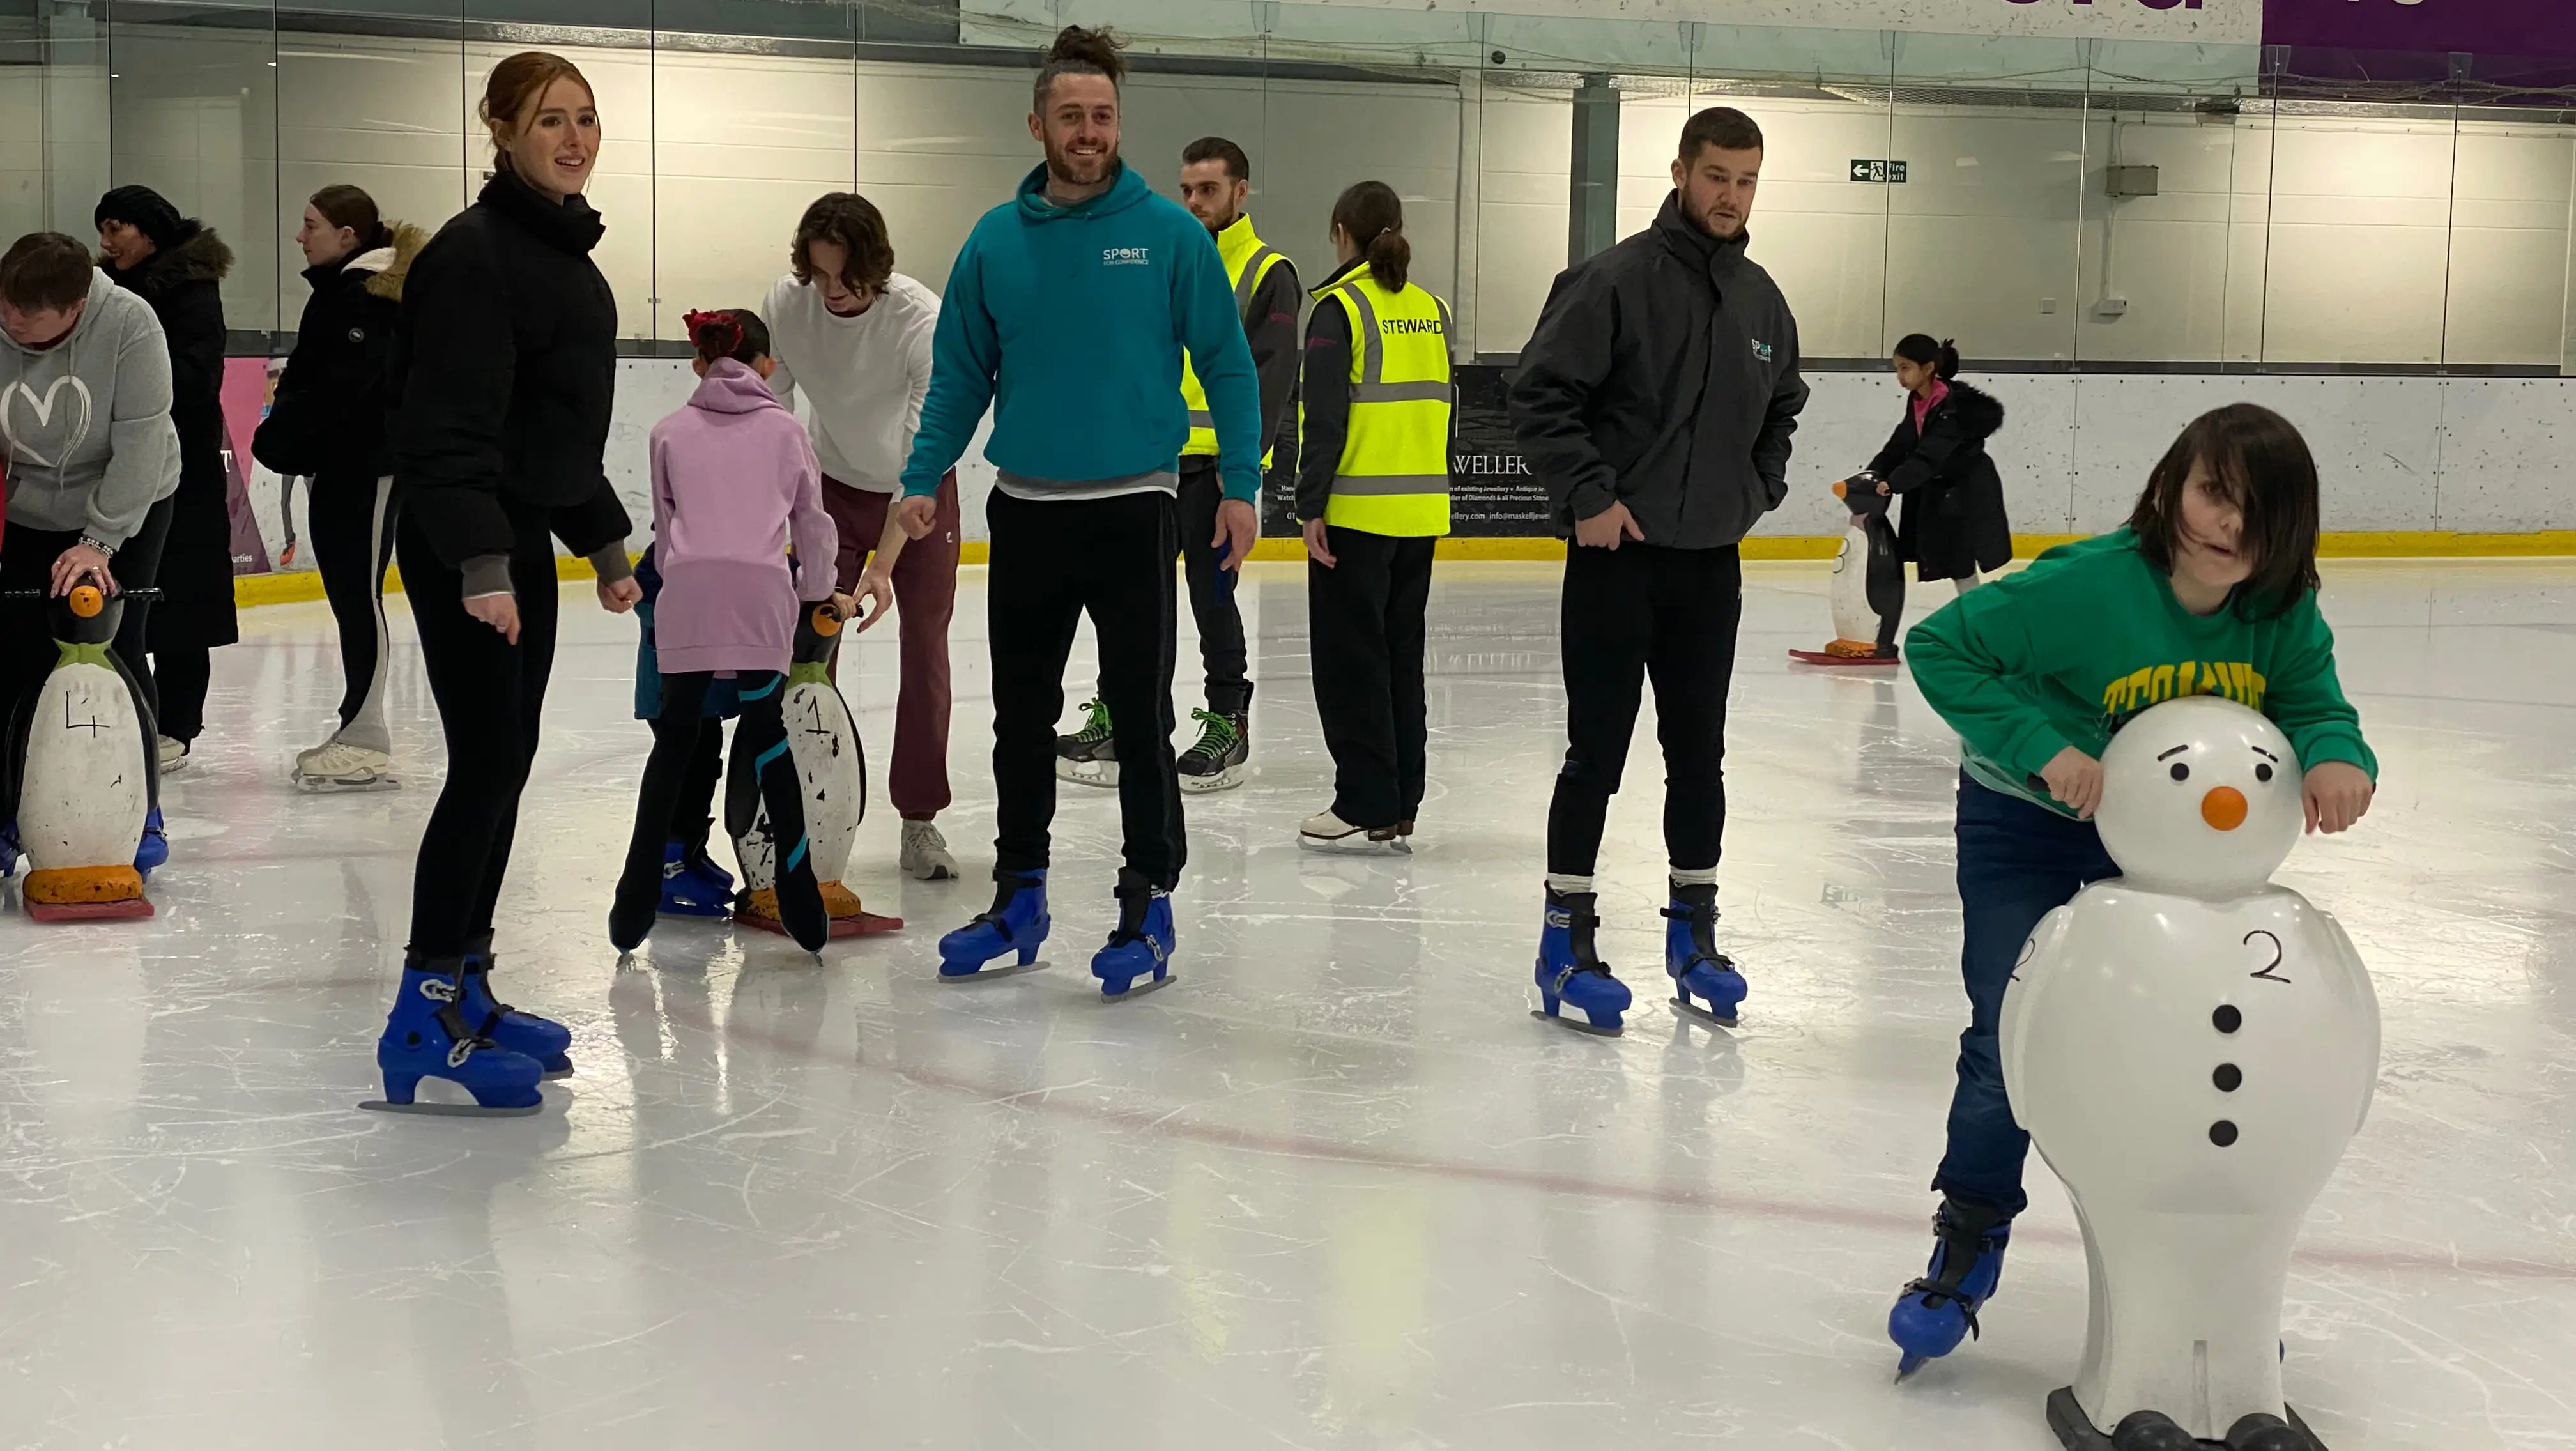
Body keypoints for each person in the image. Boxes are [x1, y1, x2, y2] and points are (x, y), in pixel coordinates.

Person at [1885, 401, 2378, 1374]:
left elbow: (2315, 700)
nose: (2227, 526)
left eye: (2256, 511)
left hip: (2160, 849)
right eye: (2212, 493)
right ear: (2171, 485)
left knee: (2188, 1042)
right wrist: (2041, 748)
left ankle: (2205, 1281)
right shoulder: (2089, 585)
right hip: (2027, 826)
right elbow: (1940, 648)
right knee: (2007, 1032)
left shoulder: (2278, 608)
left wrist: (2335, 755)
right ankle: (1973, 1225)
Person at [902, 25, 1262, 998]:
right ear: (1038, 124)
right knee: (1021, 718)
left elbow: (1228, 361)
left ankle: (1148, 898)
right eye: (1072, 116)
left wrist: (1239, 483)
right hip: (1025, 510)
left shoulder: (1172, 234)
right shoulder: (994, 240)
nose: (1089, 131)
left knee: (1141, 719)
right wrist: (919, 477)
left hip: (1134, 509)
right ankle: (1021, 891)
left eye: (1103, 115)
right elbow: (959, 376)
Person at [365, 51, 641, 1117]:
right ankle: (422, 1011)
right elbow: (446, 432)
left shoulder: (566, 261)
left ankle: (469, 989)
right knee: (484, 766)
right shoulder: (477, 257)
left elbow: (551, 436)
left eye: (585, 119)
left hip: (514, 541)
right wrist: (484, 563)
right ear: (500, 129)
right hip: (464, 547)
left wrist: (604, 546)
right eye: (548, 120)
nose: (573, 138)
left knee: (505, 763)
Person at [1508, 106, 1807, 1036]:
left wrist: (1756, 492)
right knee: (1596, 753)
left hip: (1710, 563)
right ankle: (1566, 939)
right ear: (1680, 172)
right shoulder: (1612, 281)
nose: (1731, 195)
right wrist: (1590, 497)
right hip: (1618, 559)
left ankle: (1694, 933)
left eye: (1747, 179)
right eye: (1717, 175)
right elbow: (1540, 395)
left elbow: (1781, 406)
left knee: (1698, 754)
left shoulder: (1762, 300)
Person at [1054, 135, 1301, 796]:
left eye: (1209, 191)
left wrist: (1242, 471)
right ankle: (1126, 716)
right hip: (1148, 464)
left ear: (1240, 193)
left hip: (1216, 470)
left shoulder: (1266, 271)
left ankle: (1228, 721)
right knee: (1133, 602)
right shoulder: (1163, 255)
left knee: (1212, 600)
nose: (1194, 202)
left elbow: (1269, 378)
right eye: (1187, 189)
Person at [609, 307, 839, 955]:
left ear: (698, 364)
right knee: (768, 737)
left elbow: (663, 526)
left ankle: (635, 898)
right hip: (762, 595)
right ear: (767, 366)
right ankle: (801, 904)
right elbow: (813, 523)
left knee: (677, 738)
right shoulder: (788, 432)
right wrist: (817, 590)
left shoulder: (668, 432)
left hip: (689, 594)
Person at [761, 192, 962, 883]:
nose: (833, 292)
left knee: (926, 647)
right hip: (830, 487)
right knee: (811, 655)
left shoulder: (922, 321)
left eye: (846, 276)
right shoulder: (787, 307)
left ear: (876, 265)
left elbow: (918, 462)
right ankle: (805, 814)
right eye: (818, 276)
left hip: (921, 491)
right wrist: (783, 518)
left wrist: (883, 564)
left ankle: (920, 820)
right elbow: (772, 417)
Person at [0, 231, 181, 873]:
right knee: (16, 655)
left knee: (117, 649)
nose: (12, 328)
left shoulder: (131, 325)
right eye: (6, 314)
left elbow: (141, 439)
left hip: (126, 504)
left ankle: (143, 810)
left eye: (30, 322)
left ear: (76, 307)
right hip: (26, 506)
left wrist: (100, 541)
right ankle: (7, 809)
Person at [253, 184, 426, 790]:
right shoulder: (343, 295)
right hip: (342, 467)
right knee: (350, 595)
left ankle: (366, 735)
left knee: (359, 596)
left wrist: (279, 441)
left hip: (368, 468)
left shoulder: (368, 301)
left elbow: (341, 393)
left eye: (311, 225)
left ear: (347, 235)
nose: (300, 236)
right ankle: (358, 726)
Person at [1295, 181, 1452, 852]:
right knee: (1399, 661)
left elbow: (1324, 421)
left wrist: (1309, 505)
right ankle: (1400, 801)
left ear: (1340, 233)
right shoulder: (1433, 309)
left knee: (1350, 665)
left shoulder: (1339, 310)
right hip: (1420, 513)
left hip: (1356, 515)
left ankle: (1363, 798)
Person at [96, 185, 236, 777]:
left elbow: (195, 381)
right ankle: (122, 709)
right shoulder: (103, 293)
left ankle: (178, 721)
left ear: (150, 233)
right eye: (102, 229)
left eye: (117, 229)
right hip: (120, 465)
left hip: (185, 470)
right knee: (124, 598)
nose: (105, 241)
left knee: (182, 598)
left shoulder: (192, 292)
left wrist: (130, 380)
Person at [1838, 334, 2010, 661]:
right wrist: (1873, 475)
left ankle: (1984, 634)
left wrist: (1894, 483)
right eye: (1896, 369)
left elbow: (1931, 455)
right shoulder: (1919, 399)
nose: (1899, 376)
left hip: (1966, 490)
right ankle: (1979, 630)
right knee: (1955, 562)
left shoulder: (1953, 409)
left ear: (1928, 368)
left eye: (1905, 368)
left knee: (1960, 563)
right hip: (1940, 488)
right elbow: (1901, 444)